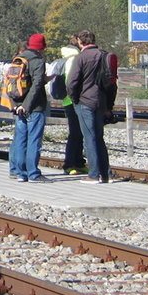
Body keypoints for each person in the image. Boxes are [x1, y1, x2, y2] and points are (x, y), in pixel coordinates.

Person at [67, 29, 111, 185]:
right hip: (101, 101)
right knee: (99, 138)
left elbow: (71, 82)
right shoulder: (104, 55)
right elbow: (112, 82)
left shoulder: (81, 58)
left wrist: (74, 99)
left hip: (85, 101)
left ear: (80, 41)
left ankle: (93, 174)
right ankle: (106, 174)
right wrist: (109, 105)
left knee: (89, 138)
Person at [11, 34, 51, 183]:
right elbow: (37, 85)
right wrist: (27, 105)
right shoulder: (38, 61)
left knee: (20, 140)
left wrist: (17, 105)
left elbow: (11, 84)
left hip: (19, 105)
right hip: (34, 107)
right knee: (34, 140)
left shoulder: (19, 59)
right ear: (42, 47)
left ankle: (20, 173)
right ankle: (33, 173)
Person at [51, 44, 87, 175]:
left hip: (68, 101)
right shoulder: (74, 60)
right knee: (76, 134)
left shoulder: (66, 60)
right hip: (74, 101)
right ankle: (70, 164)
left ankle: (78, 162)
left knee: (78, 133)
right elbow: (72, 82)